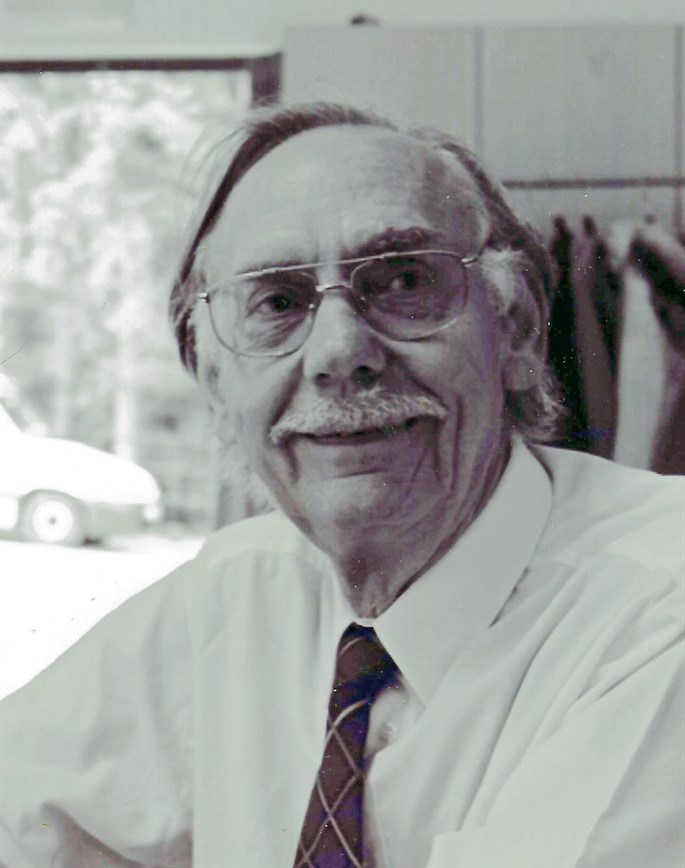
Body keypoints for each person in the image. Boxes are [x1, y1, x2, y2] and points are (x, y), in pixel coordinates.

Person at [1, 102, 683, 868]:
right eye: (278, 302)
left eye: (403, 280)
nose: (337, 352)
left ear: (517, 329)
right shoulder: (233, 593)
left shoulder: (661, 606)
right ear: (218, 387)